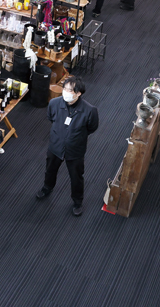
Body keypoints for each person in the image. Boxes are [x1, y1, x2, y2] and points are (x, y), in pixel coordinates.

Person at [35, 76, 99, 216]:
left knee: (76, 177)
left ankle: (77, 201)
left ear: (78, 93)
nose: (66, 92)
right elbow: (51, 118)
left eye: (70, 90)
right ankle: (47, 187)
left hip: (75, 150)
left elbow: (92, 127)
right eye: (65, 88)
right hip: (56, 145)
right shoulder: (54, 103)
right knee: (50, 170)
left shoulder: (90, 110)